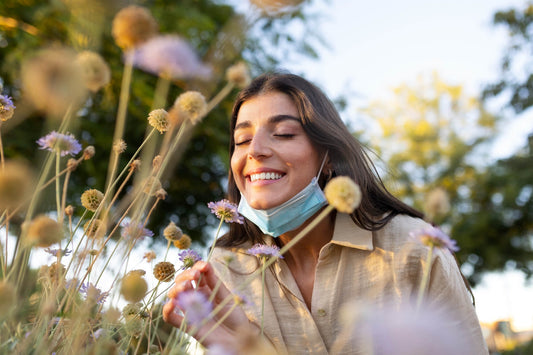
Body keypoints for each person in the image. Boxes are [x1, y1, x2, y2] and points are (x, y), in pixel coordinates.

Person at [163, 72, 488, 354]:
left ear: (329, 157)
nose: (256, 150)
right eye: (242, 139)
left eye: (285, 133)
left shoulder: (416, 248)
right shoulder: (223, 268)